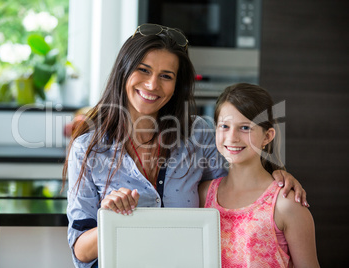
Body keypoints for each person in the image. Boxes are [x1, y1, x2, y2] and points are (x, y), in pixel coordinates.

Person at [63, 24, 307, 268]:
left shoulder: (198, 134)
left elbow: (240, 179)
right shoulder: (88, 148)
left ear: (177, 84)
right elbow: (80, 252)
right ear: (123, 71)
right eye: (143, 70)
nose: (152, 85)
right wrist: (112, 220)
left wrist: (277, 176)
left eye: (166, 76)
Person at [199, 83, 319, 267]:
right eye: (224, 126)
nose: (232, 137)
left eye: (245, 128)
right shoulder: (203, 194)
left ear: (267, 136)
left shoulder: (286, 204)